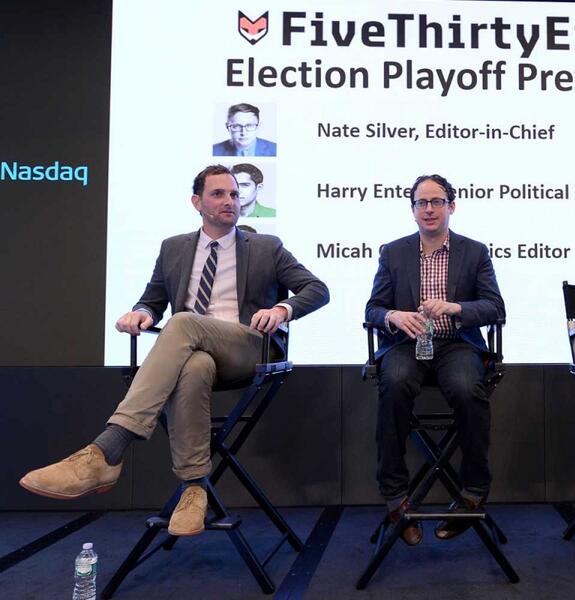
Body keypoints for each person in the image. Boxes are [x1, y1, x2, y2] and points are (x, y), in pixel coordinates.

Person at [20, 165, 328, 536]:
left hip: (248, 347)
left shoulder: (266, 247)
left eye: (234, 194)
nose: (230, 200)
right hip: (195, 351)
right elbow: (152, 300)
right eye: (218, 194)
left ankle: (109, 448)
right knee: (194, 365)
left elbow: (317, 289)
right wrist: (141, 313)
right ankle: (194, 490)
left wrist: (282, 309)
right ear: (197, 202)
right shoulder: (174, 248)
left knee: (182, 322)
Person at [365, 174, 505, 546]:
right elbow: (373, 309)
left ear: (451, 206)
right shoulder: (393, 252)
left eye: (437, 201)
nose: (429, 209)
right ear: (412, 210)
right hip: (405, 345)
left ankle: (473, 492)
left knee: (467, 389)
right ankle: (397, 498)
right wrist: (394, 316)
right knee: (394, 385)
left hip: (456, 344)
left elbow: (495, 307)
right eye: (421, 203)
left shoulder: (474, 251)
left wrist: (456, 308)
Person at [212, 103, 276, 157]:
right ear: (227, 127)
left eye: (249, 125)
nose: (243, 132)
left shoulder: (275, 149)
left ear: (258, 126)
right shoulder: (214, 151)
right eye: (236, 126)